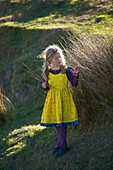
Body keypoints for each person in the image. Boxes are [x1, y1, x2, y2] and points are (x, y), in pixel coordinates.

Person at [40, 44, 80, 157]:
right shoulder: (47, 72)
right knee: (58, 125)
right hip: (53, 101)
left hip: (64, 100)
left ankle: (62, 146)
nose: (59, 59)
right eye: (56, 58)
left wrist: (76, 75)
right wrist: (44, 86)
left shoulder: (66, 70)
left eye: (60, 57)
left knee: (62, 125)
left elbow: (74, 84)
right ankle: (60, 145)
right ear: (50, 60)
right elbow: (47, 87)